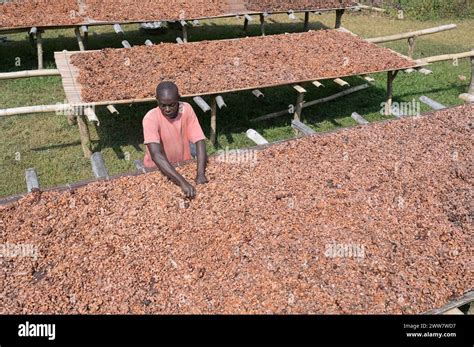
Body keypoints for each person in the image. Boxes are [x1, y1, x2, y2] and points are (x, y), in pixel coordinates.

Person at [143, 81, 208, 198]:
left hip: (182, 164)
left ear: (178, 98)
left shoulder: (186, 109)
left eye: (172, 105)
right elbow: (156, 155)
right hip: (156, 169)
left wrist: (200, 174)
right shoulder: (150, 118)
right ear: (156, 100)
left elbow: (199, 140)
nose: (167, 109)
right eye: (163, 105)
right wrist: (182, 182)